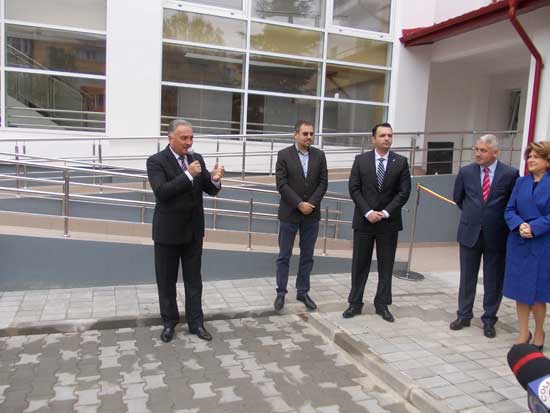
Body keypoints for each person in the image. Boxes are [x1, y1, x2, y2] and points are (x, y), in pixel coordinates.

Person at [147, 119, 224, 343]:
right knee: (166, 281)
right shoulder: (156, 161)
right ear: (170, 138)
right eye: (184, 138)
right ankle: (169, 323)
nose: (189, 143)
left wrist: (215, 179)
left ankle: (196, 323)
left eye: (191, 138)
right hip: (167, 233)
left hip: (193, 232)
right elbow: (162, 192)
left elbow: (209, 188)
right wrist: (188, 175)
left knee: (194, 282)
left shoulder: (196, 158)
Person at [450, 134, 519, 338]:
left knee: (493, 279)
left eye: (483, 150)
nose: (478, 154)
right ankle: (464, 315)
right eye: (477, 150)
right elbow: (458, 198)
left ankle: (489, 319)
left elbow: (512, 203)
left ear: (495, 153)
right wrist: (475, 216)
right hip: (469, 232)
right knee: (467, 277)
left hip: (497, 235)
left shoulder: (510, 174)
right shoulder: (466, 172)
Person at [343, 122, 411, 322]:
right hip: (364, 222)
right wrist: (369, 212)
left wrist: (386, 212)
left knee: (386, 265)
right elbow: (354, 188)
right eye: (382, 135)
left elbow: (404, 192)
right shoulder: (361, 160)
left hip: (388, 223)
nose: (387, 138)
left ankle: (382, 305)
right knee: (359, 264)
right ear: (373, 139)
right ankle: (355, 303)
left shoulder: (401, 162)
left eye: (390, 135)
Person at [274, 120, 328, 311]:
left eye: (311, 134)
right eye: (305, 134)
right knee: (284, 255)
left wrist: (310, 204)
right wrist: (299, 203)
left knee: (307, 255)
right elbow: (281, 184)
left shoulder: (319, 156)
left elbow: (323, 183)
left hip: (311, 214)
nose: (309, 137)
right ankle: (281, 292)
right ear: (295, 134)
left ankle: (302, 291)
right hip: (289, 213)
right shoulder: (284, 155)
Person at [503, 141, 550, 350]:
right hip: (520, 243)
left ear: (547, 161)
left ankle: (539, 331)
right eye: (529, 156)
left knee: (538, 293)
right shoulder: (521, 183)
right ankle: (523, 332)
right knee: (520, 291)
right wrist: (519, 225)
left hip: (543, 243)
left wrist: (534, 227)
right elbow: (509, 209)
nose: (530, 160)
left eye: (536, 157)